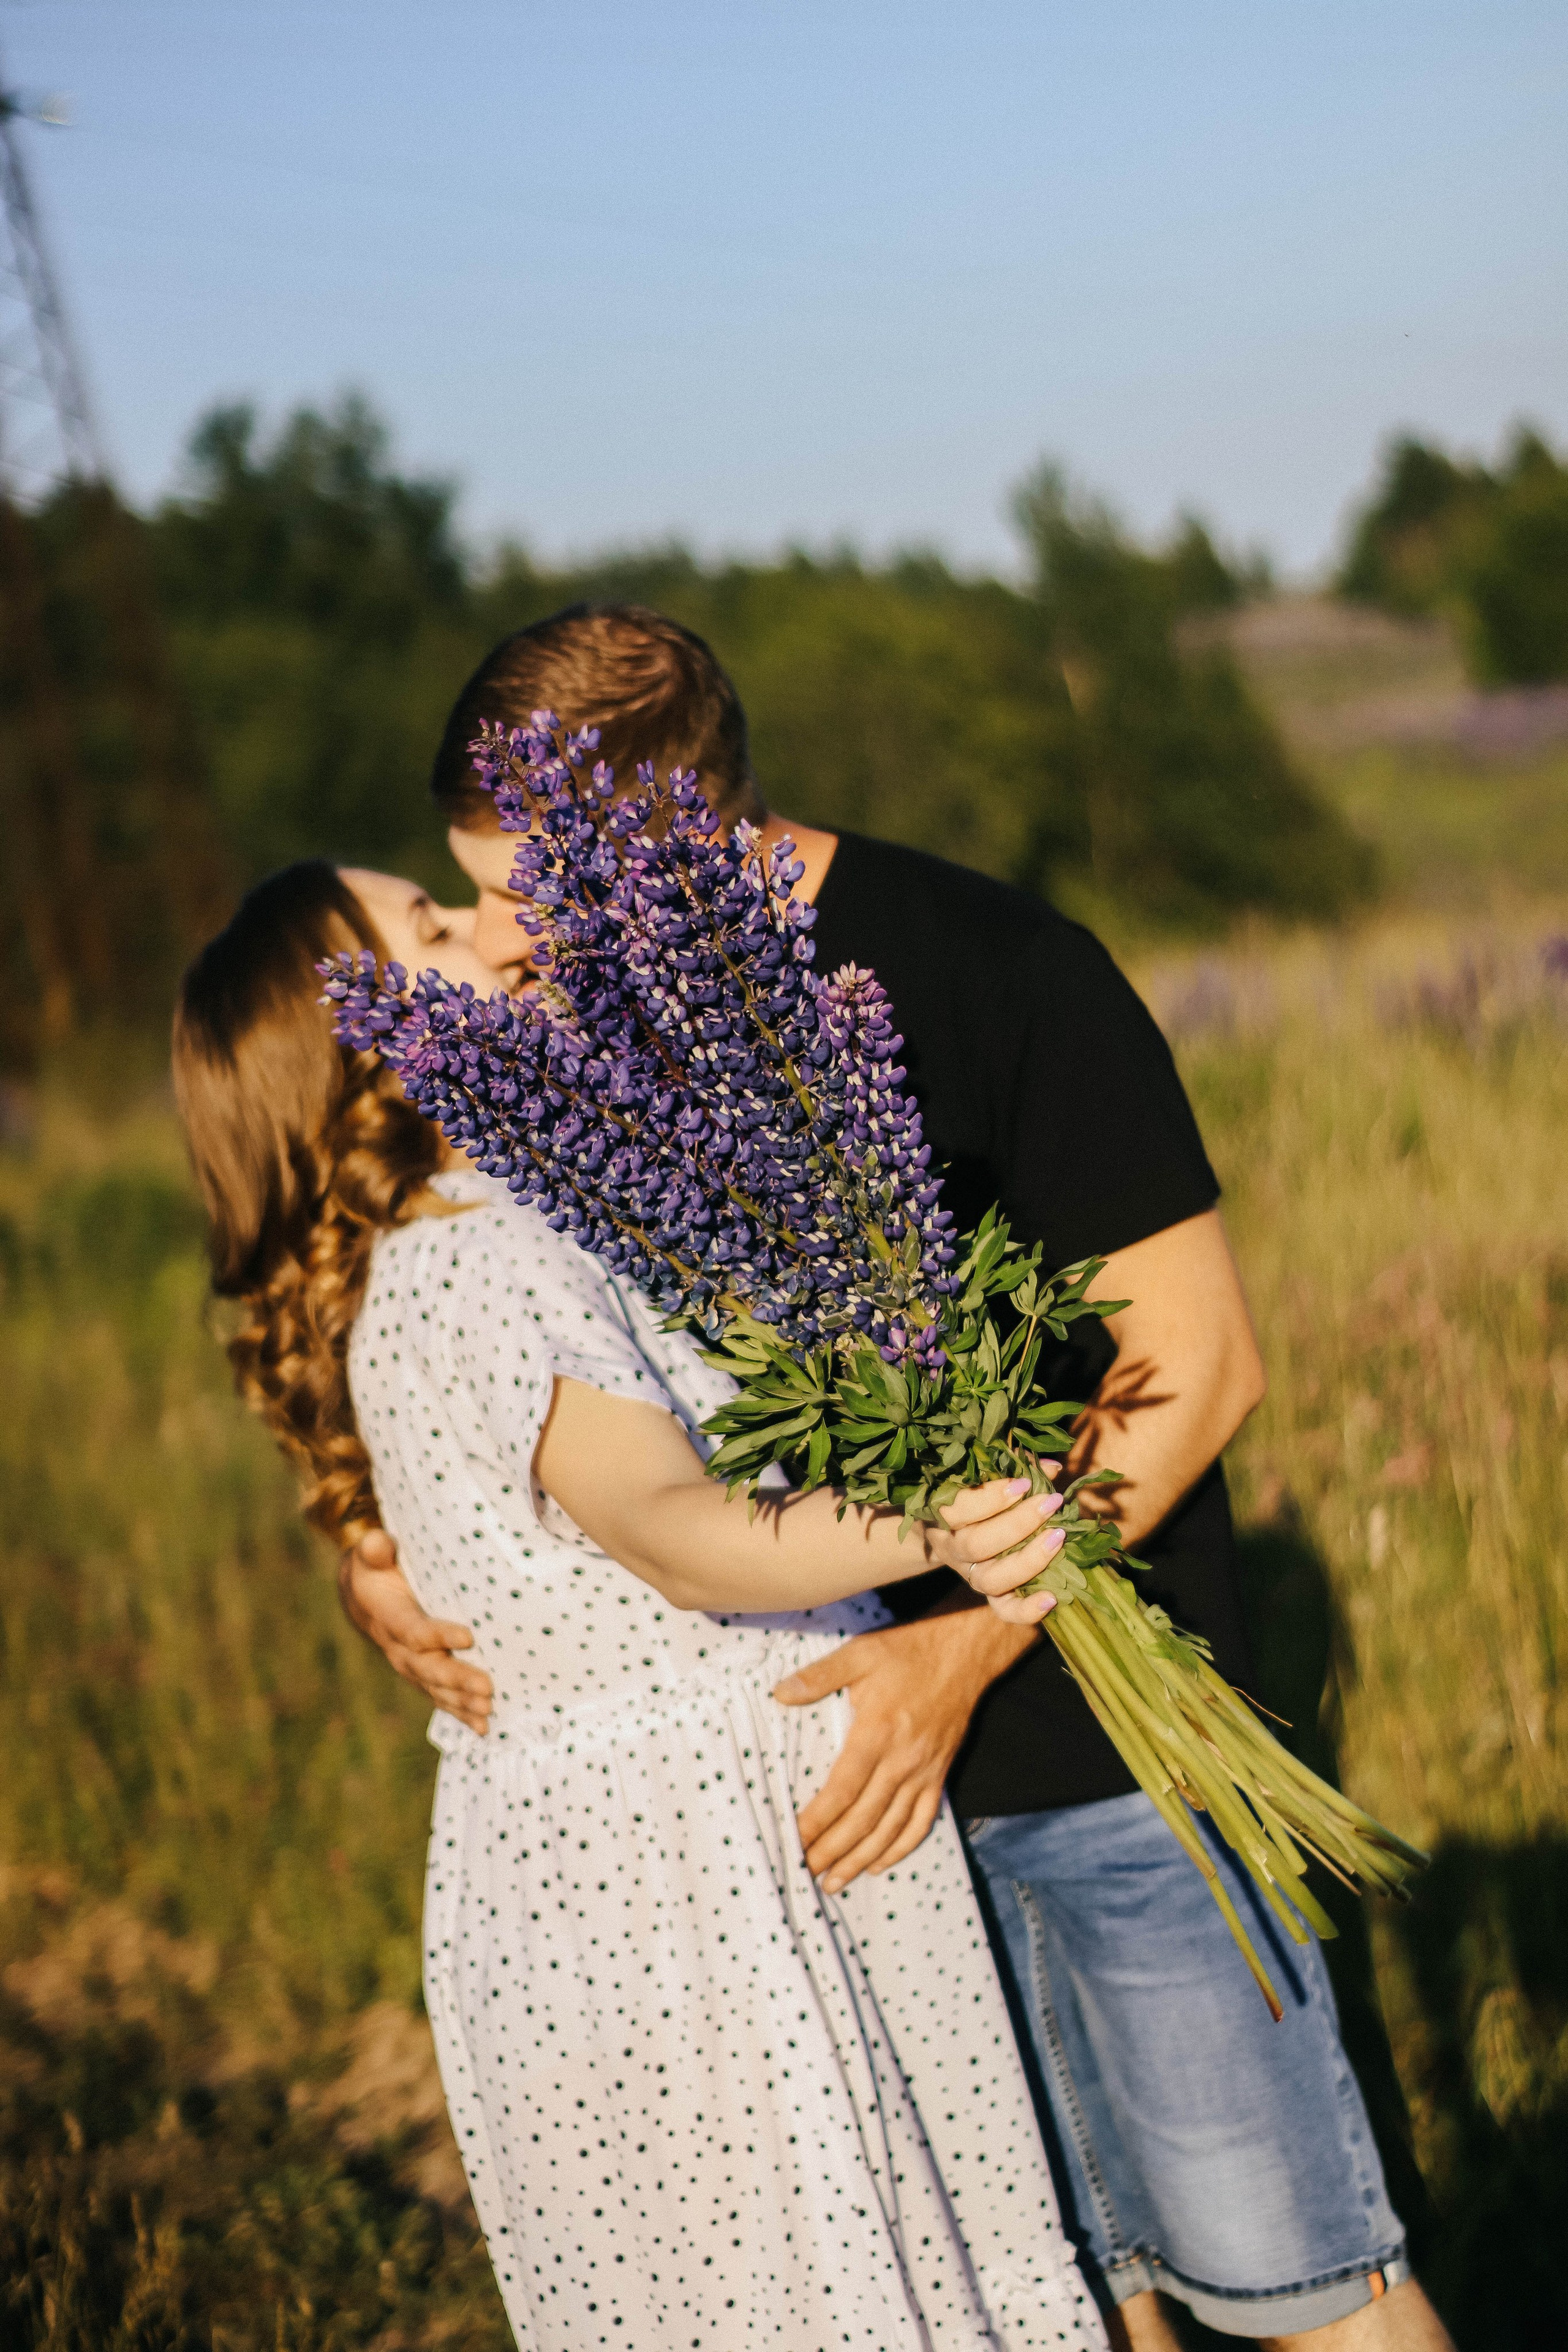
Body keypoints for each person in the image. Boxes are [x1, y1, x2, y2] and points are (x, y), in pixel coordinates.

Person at [340, 605, 1453, 2352]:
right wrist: (371, 1540)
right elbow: (506, 1357)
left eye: (519, 889)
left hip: (1104, 1769)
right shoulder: (592, 1058)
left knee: (1311, 2292)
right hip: (857, 1851)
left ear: (659, 830)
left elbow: (1201, 1366)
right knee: (1078, 2313)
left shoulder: (996, 969)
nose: (492, 942)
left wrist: (968, 1646)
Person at [172, 856, 1104, 2352]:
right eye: (431, 927)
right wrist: (938, 1519)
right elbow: (672, 1532)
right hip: (692, 1886)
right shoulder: (477, 1255)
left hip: (623, 1875)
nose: (493, 932)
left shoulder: (473, 1238)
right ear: (357, 1052)